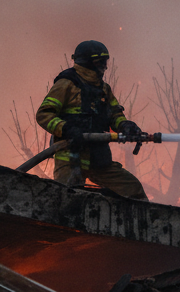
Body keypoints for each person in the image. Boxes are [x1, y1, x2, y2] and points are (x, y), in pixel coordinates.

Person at [35, 40, 148, 200]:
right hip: (70, 156)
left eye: (105, 62)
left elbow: (114, 114)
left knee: (132, 188)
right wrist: (66, 129)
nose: (105, 66)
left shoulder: (104, 89)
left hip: (98, 157)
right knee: (66, 200)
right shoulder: (66, 84)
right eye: (101, 62)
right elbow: (44, 114)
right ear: (88, 62)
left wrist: (125, 125)